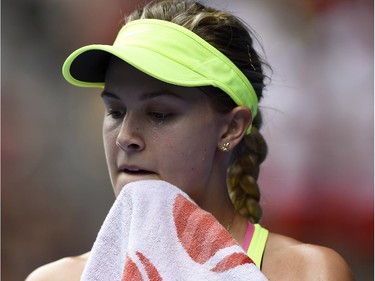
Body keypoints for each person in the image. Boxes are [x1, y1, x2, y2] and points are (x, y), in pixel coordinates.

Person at [26, 0, 354, 280]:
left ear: (231, 128)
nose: (126, 138)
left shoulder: (307, 273)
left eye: (159, 114)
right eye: (115, 111)